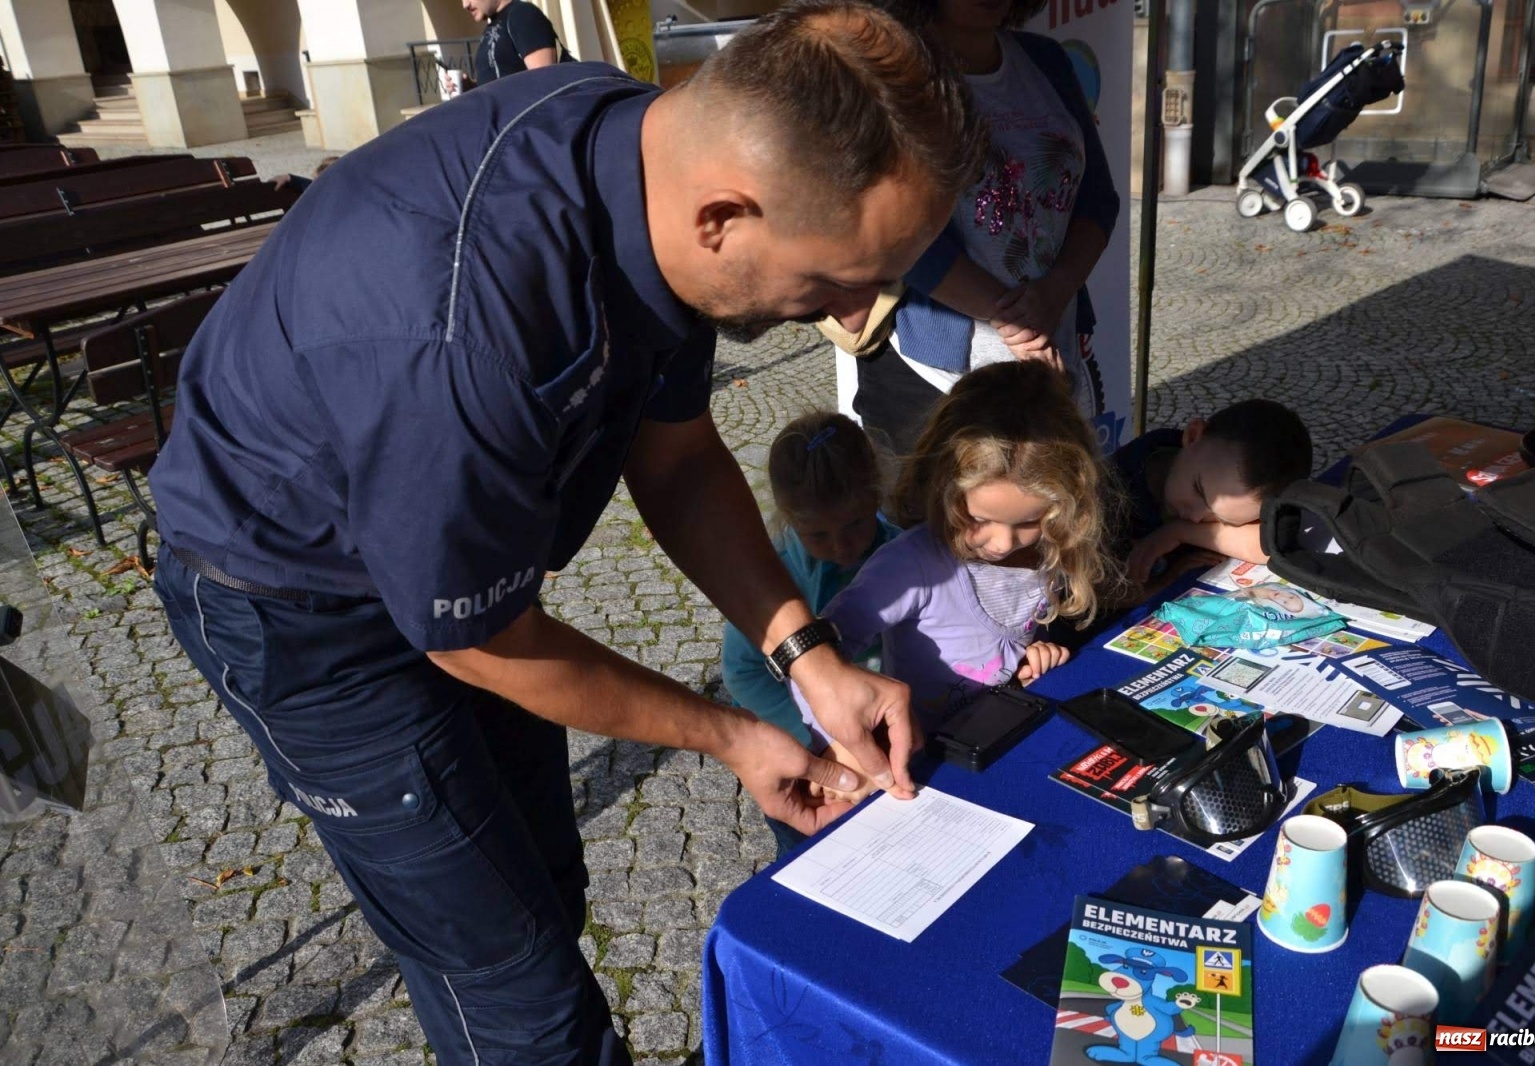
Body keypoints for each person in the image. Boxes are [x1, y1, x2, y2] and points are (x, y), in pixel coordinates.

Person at [145, 4, 985, 1061]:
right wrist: (732, 733)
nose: (861, 315)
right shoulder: (464, 330)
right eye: (834, 282)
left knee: (546, 878)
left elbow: (674, 458)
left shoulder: (653, 165)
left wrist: (809, 658)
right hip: (301, 609)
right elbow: (478, 640)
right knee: (518, 997)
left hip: (454, 564)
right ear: (722, 217)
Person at [836, 0, 1120, 455]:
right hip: (931, 376)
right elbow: (898, 233)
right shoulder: (891, 76)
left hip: (1052, 351)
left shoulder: (1045, 59)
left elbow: (1099, 199)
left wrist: (1057, 290)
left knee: (1051, 520)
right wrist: (1015, 321)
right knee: (939, 524)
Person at [795, 360, 1114, 747]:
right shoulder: (912, 565)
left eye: (1029, 522)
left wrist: (1029, 666)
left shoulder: (1050, 543)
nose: (1001, 543)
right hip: (917, 762)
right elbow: (816, 658)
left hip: (996, 746)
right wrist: (838, 744)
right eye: (979, 518)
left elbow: (1007, 660)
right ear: (942, 485)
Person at [720, 412, 899, 855]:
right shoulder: (770, 576)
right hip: (805, 756)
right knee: (809, 853)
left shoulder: (901, 554)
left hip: (885, 736)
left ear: (876, 493)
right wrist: (814, 746)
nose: (841, 547)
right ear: (788, 517)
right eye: (817, 534)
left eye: (856, 524)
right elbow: (743, 670)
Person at [1116, 398, 1313, 584]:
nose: (1194, 517)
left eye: (1223, 520)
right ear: (1192, 436)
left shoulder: (1208, 462)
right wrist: (1162, 584)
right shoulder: (1114, 488)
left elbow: (1270, 544)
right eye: (1198, 490)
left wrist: (1177, 531)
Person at [464, 0, 568, 85]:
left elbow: (545, 83)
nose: (465, 4)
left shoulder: (523, 14)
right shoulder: (493, 24)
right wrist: (470, 87)